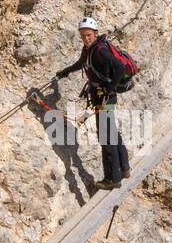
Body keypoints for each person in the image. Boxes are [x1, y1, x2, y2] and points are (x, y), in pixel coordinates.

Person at [55, 16, 131, 190]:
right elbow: (81, 63)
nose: (85, 39)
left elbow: (119, 67)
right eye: (82, 36)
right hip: (102, 96)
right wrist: (65, 71)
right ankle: (124, 168)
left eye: (88, 35)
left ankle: (113, 178)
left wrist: (110, 88)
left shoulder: (100, 50)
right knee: (111, 132)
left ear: (95, 34)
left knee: (106, 137)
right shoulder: (89, 49)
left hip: (104, 96)